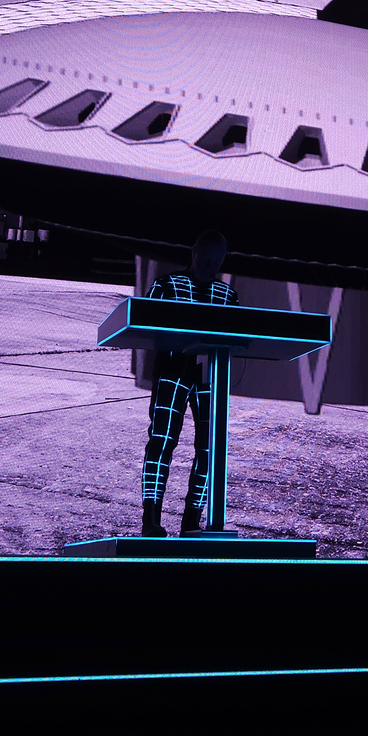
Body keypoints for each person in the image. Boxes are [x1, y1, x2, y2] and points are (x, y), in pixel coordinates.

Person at [138, 230, 238, 538]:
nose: (211, 265)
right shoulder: (166, 285)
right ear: (194, 254)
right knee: (161, 442)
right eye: (207, 258)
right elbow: (144, 321)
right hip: (173, 370)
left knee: (210, 448)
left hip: (209, 375)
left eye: (216, 260)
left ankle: (192, 521)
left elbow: (238, 333)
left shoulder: (227, 295)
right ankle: (151, 519)